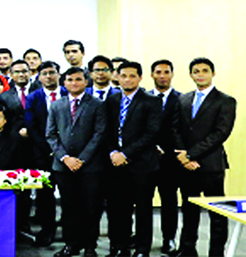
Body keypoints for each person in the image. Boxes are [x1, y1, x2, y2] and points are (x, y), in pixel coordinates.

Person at [171, 58, 236, 257]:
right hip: (186, 165)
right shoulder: (183, 99)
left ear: (213, 73)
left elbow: (220, 133)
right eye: (196, 71)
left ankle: (216, 252)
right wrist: (184, 156)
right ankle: (187, 249)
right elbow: (175, 129)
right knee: (189, 210)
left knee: (217, 213)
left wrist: (191, 154)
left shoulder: (225, 100)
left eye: (205, 71)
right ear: (190, 74)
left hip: (210, 165)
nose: (200, 74)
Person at [103, 61, 162, 257]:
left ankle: (142, 249)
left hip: (142, 164)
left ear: (140, 78)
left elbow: (151, 134)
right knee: (118, 208)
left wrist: (125, 154)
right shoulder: (111, 101)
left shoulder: (151, 101)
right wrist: (113, 153)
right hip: (115, 164)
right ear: (117, 77)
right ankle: (120, 246)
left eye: (132, 76)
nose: (127, 79)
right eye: (123, 76)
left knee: (143, 210)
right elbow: (106, 131)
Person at [46, 67, 106, 257]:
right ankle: (71, 244)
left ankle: (90, 246)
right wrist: (65, 158)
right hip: (63, 166)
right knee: (69, 208)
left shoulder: (97, 104)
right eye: (70, 79)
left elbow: (99, 134)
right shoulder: (56, 105)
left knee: (91, 207)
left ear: (86, 82)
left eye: (78, 79)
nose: (74, 83)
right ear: (64, 83)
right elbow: (51, 134)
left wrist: (81, 159)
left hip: (90, 167)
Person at [24, 61, 68, 247]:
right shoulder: (33, 97)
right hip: (42, 153)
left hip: (69, 153)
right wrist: (49, 148)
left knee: (69, 194)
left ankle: (69, 230)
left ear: (59, 74)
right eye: (45, 73)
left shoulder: (69, 93)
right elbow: (31, 126)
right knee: (45, 196)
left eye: (52, 72)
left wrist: (62, 150)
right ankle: (47, 229)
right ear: (39, 77)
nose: (49, 76)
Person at [149, 59, 182, 254]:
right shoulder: (142, 98)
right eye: (158, 72)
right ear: (152, 74)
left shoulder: (182, 99)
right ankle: (141, 237)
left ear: (172, 74)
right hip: (144, 158)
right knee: (142, 201)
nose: (162, 75)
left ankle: (169, 239)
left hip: (170, 161)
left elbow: (182, 131)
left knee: (169, 201)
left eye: (166, 72)